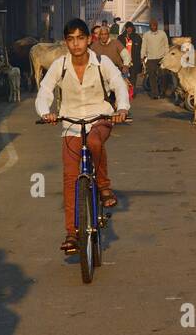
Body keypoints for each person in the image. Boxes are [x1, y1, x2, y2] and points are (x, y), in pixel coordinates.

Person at [36, 17, 129, 255]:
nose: (76, 44)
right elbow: (45, 90)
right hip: (71, 123)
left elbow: (118, 84)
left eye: (80, 38)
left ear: (89, 39)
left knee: (96, 141)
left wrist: (121, 109)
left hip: (100, 118)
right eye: (71, 39)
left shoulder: (102, 62)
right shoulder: (60, 65)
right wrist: (46, 112)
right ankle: (71, 233)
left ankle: (104, 186)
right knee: (70, 177)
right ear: (66, 42)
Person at [141, 19, 170, 99]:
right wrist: (142, 56)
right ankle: (155, 94)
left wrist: (166, 56)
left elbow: (166, 45)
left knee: (163, 75)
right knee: (152, 76)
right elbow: (144, 46)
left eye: (154, 25)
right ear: (150, 26)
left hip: (161, 58)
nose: (153, 27)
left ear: (157, 25)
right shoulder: (146, 35)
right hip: (151, 58)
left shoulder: (162, 34)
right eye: (151, 25)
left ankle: (163, 91)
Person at [120, 21, 142, 97]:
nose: (129, 29)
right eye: (127, 28)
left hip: (134, 61)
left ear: (132, 28)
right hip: (124, 62)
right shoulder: (120, 38)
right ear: (125, 28)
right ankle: (125, 93)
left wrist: (140, 61)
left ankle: (132, 93)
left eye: (130, 28)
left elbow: (140, 50)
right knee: (124, 78)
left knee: (133, 78)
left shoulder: (137, 38)